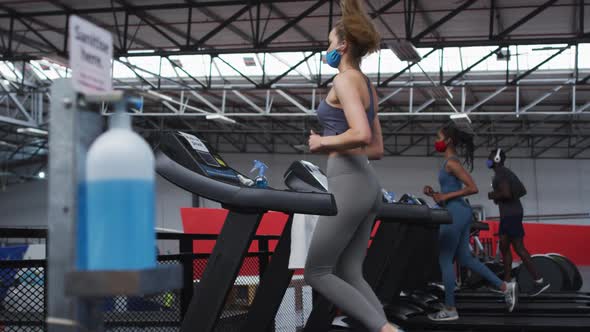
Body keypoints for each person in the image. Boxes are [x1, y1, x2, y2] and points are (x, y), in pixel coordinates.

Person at [304, 1, 400, 331]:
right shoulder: (368, 86)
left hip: (348, 182)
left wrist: (322, 143)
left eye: (330, 43)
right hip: (368, 184)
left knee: (316, 272)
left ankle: (384, 330)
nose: (327, 49)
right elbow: (376, 148)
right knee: (350, 272)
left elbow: (359, 133)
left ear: (343, 45)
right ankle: (386, 327)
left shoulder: (344, 80)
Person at [423, 124, 518, 321]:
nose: (435, 141)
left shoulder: (451, 163)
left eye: (438, 137)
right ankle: (504, 287)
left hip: (455, 212)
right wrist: (434, 194)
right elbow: (448, 194)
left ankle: (450, 309)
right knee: (465, 259)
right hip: (458, 211)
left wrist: (446, 195)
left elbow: (472, 188)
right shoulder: (449, 163)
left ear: (448, 141)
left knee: (445, 259)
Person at [486, 148, 550, 296]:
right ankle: (507, 283)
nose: (488, 160)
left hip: (510, 215)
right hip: (510, 214)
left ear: (496, 159)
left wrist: (492, 195)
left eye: (490, 157)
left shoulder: (501, 173)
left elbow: (506, 194)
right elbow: (516, 192)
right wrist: (497, 196)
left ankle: (539, 281)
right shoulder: (505, 173)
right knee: (504, 246)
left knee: (519, 248)